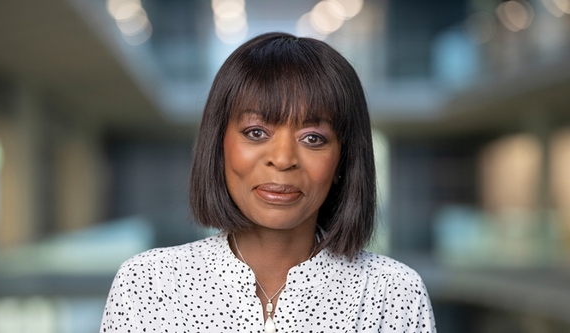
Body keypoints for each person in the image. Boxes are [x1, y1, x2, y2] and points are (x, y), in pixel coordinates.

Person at [100, 32, 436, 333]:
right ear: (219, 147)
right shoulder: (148, 284)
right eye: (256, 132)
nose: (283, 158)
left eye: (313, 138)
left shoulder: (394, 292)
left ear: (342, 161)